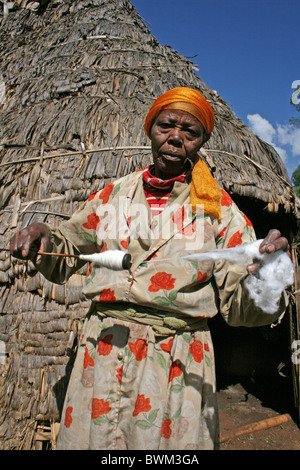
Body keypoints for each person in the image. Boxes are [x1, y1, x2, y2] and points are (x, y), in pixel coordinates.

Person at [10, 87, 290, 450]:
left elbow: (241, 311)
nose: (176, 137)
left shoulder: (221, 213)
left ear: (202, 141)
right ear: (150, 130)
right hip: (104, 350)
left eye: (190, 132)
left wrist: (266, 278)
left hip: (176, 358)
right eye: (167, 126)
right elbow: (65, 249)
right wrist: (44, 236)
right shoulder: (113, 196)